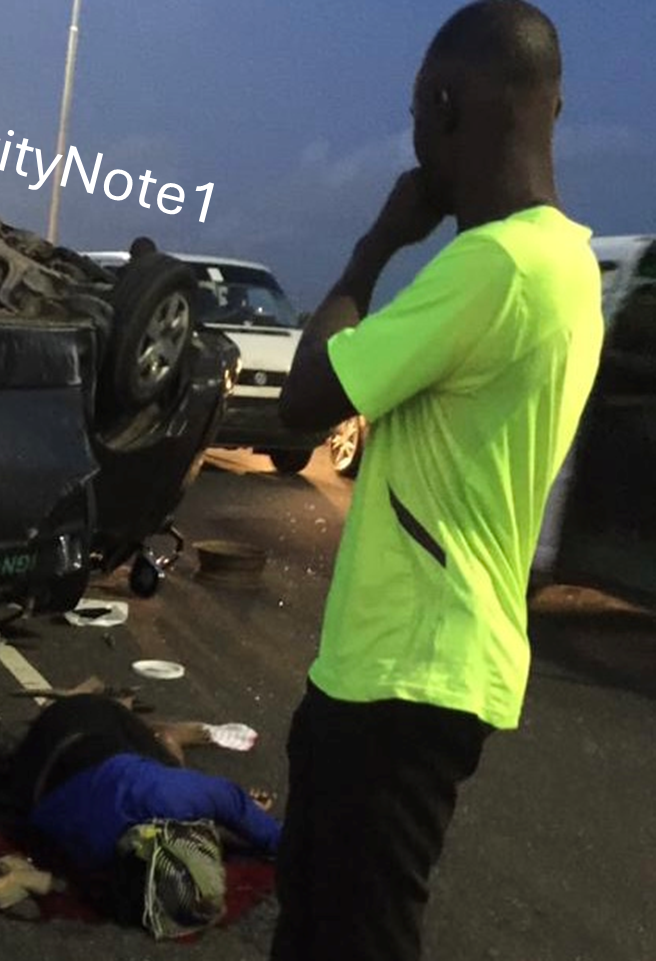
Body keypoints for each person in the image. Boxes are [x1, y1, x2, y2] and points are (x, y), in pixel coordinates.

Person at [272, 2, 603, 959]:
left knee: (351, 933)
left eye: (420, 116)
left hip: (402, 680)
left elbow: (306, 396)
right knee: (335, 921)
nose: (414, 140)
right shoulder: (567, 264)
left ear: (444, 105)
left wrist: (375, 245)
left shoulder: (490, 268)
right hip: (438, 668)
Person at [8, 693, 280, 940]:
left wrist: (247, 817)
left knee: (170, 774)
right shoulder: (96, 857)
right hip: (45, 761)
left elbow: (240, 810)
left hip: (70, 733)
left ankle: (165, 735)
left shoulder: (164, 797)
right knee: (167, 769)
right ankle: (168, 735)